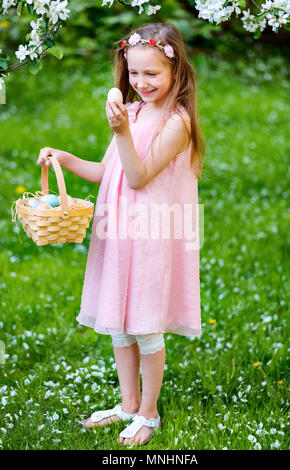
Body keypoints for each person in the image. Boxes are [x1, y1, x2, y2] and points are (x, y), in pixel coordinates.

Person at [37, 22, 205, 446]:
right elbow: (109, 172)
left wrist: (121, 133)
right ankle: (128, 403)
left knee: (145, 326)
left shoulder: (177, 123)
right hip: (117, 236)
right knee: (120, 328)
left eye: (152, 74)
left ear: (175, 71)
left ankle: (149, 413)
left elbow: (137, 175)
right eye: (134, 73)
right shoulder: (131, 113)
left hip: (148, 239)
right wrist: (67, 157)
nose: (140, 83)